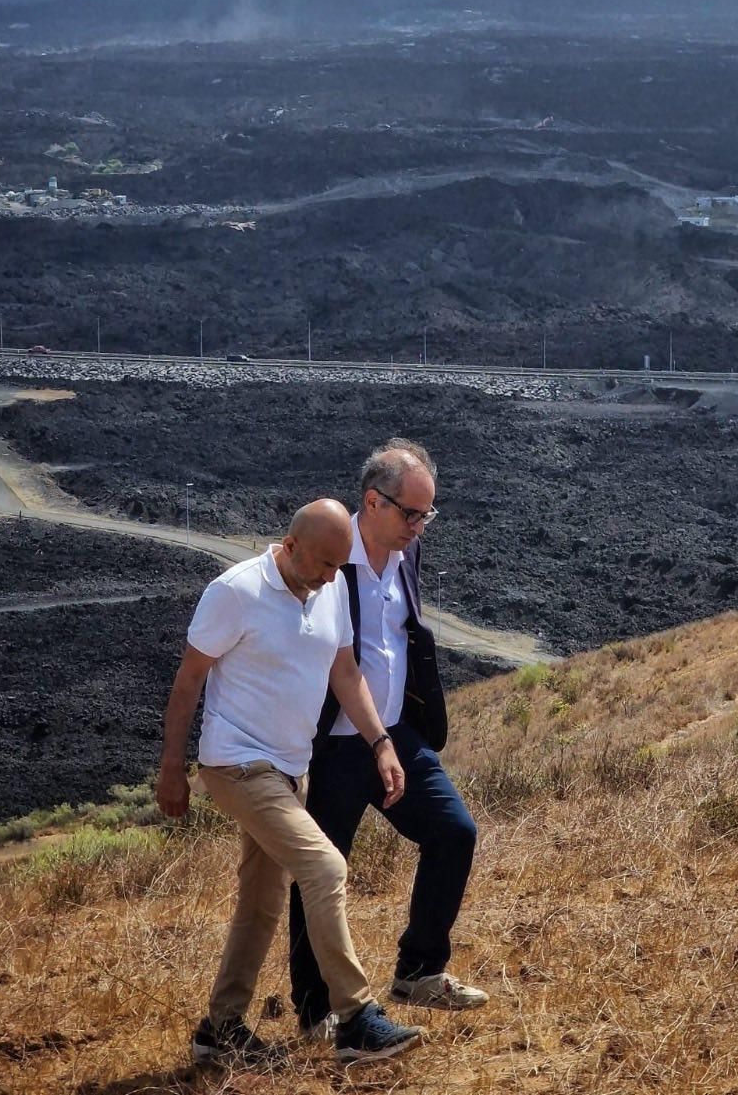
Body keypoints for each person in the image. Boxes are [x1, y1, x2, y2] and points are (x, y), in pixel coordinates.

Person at [156, 498, 424, 1069]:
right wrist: (172, 768)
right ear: (290, 544)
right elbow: (187, 683)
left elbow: (346, 672)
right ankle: (355, 1018)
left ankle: (220, 1029)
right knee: (325, 867)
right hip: (236, 764)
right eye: (324, 564)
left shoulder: (330, 590)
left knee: (262, 900)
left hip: (289, 770)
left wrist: (381, 744)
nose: (331, 578)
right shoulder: (235, 591)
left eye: (338, 566)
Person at [289, 439, 488, 1035]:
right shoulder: (329, 555)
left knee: (454, 833)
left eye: (428, 514)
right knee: (324, 872)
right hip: (334, 744)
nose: (420, 526)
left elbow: (404, 635)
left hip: (397, 732)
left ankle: (420, 972)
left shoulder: (408, 553)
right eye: (411, 514)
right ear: (372, 502)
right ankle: (315, 1009)